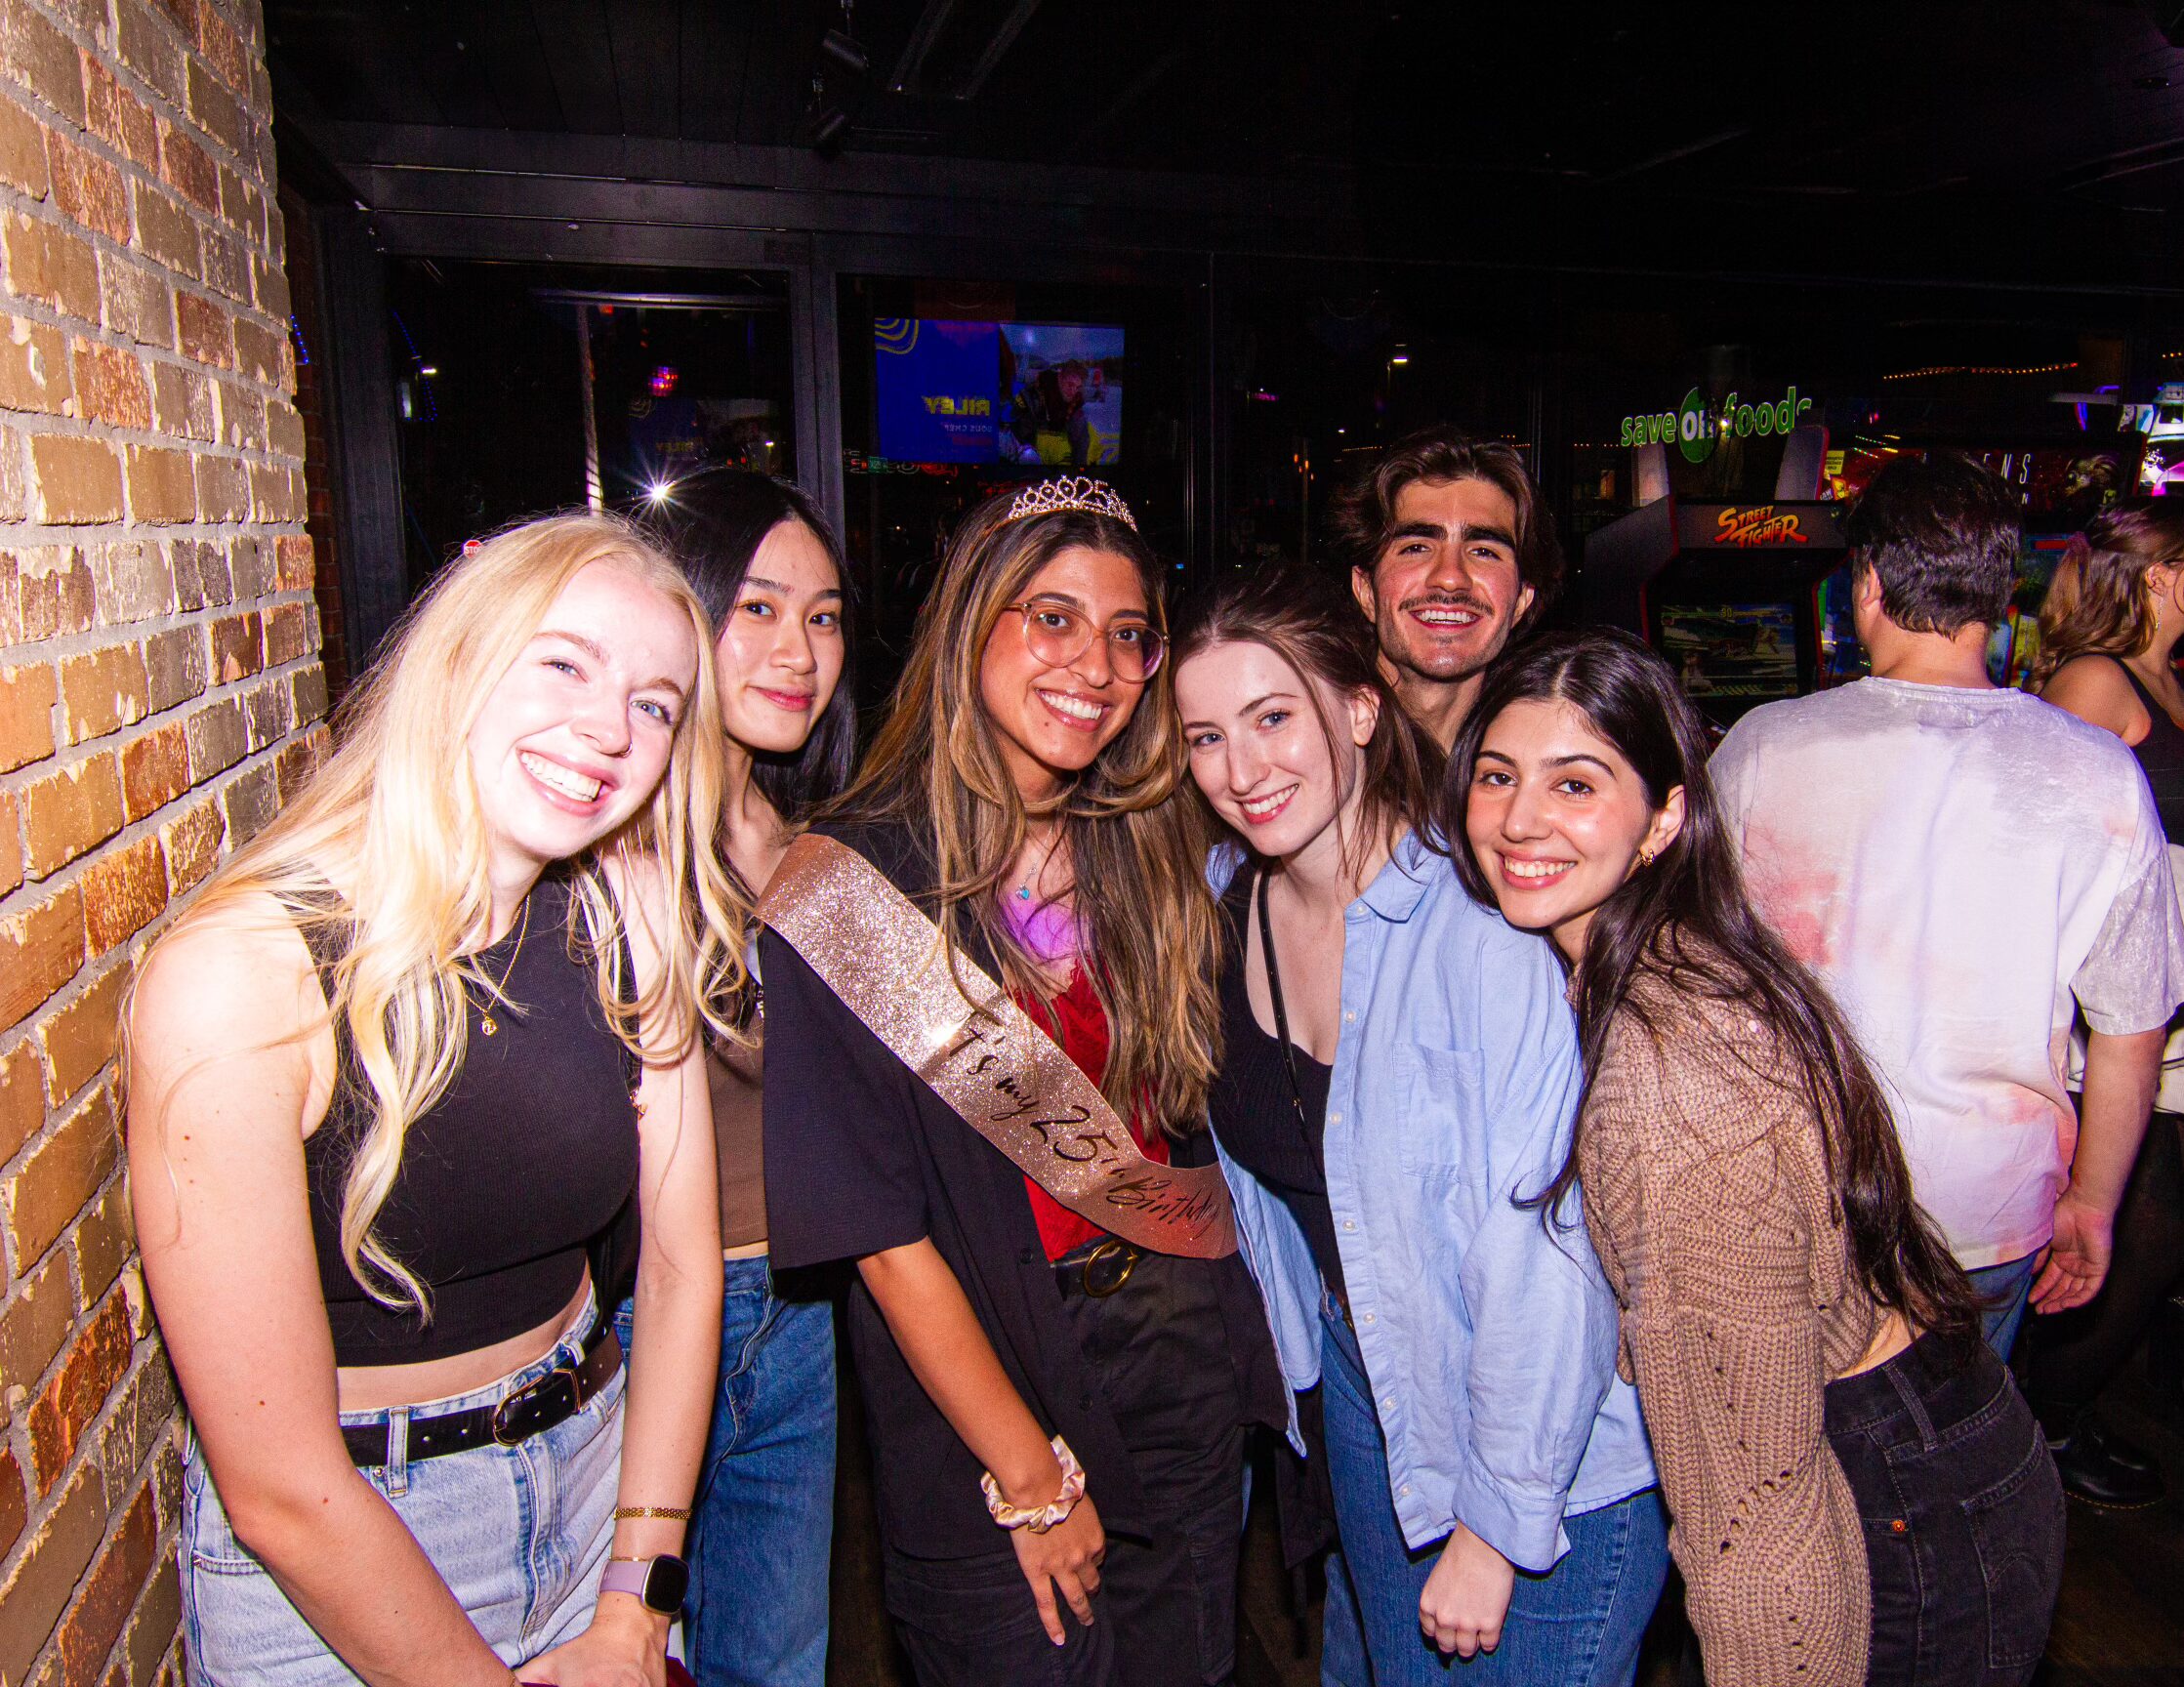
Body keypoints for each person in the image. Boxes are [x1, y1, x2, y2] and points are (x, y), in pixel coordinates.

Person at [127, 514, 734, 1686]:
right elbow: (280, 1490)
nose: (610, 729)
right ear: (455, 661)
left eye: (656, 703)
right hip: (346, 1551)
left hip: (604, 1489)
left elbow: (679, 1268)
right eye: (564, 663)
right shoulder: (245, 975)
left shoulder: (627, 917)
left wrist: (636, 1603)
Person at [1456, 627, 2066, 1686]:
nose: (1518, 820)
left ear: (1663, 818)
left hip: (1883, 1507)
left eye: (1574, 784)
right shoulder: (1674, 952)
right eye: (1498, 776)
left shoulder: (1671, 1083)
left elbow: (1758, 1512)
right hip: (1939, 1446)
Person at [759, 476, 1285, 1686]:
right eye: (1050, 618)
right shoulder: (850, 886)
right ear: (969, 627)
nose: (1092, 666)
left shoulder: (1150, 849)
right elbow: (882, 1241)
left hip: (1176, 1347)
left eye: (1126, 635)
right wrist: (1033, 1481)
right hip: (985, 1380)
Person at [1174, 567, 1667, 1686]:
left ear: (1355, 709)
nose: (1240, 771)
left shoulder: (1482, 923)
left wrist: (1495, 1529)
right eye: (1205, 737)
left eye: (1270, 718)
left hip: (1544, 1444)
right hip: (1361, 1387)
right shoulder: (1222, 900)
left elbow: (1552, 1256)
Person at [1710, 454, 2184, 1359]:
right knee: (1946, 1467)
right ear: (2003, 598)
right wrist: (2092, 1202)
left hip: (1797, 1188)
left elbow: (1702, 975)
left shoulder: (1762, 747)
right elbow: (2130, 1033)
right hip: (1990, 1204)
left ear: (1868, 586)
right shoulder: (2099, 771)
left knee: (1784, 1469)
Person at [634, 470, 855, 1682]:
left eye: (822, 617)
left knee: (776, 1662)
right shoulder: (614, 835)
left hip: (801, 1302)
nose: (798, 650)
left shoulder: (809, 847)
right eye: (758, 609)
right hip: (639, 1314)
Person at [2024, 498, 2184, 1506]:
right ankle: (2038, 1419)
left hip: (2165, 992)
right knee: (2146, 1216)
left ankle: (2050, 1412)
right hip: (2123, 999)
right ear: (2162, 576)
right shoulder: (2093, 680)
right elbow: (2052, 851)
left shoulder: (2164, 675)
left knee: (2157, 1213)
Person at [1332, 426, 1564, 752]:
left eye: (1484, 551)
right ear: (1366, 589)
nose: (1451, 577)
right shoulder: (1313, 753)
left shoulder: (1541, 762)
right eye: (1417, 547)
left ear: (1522, 600)